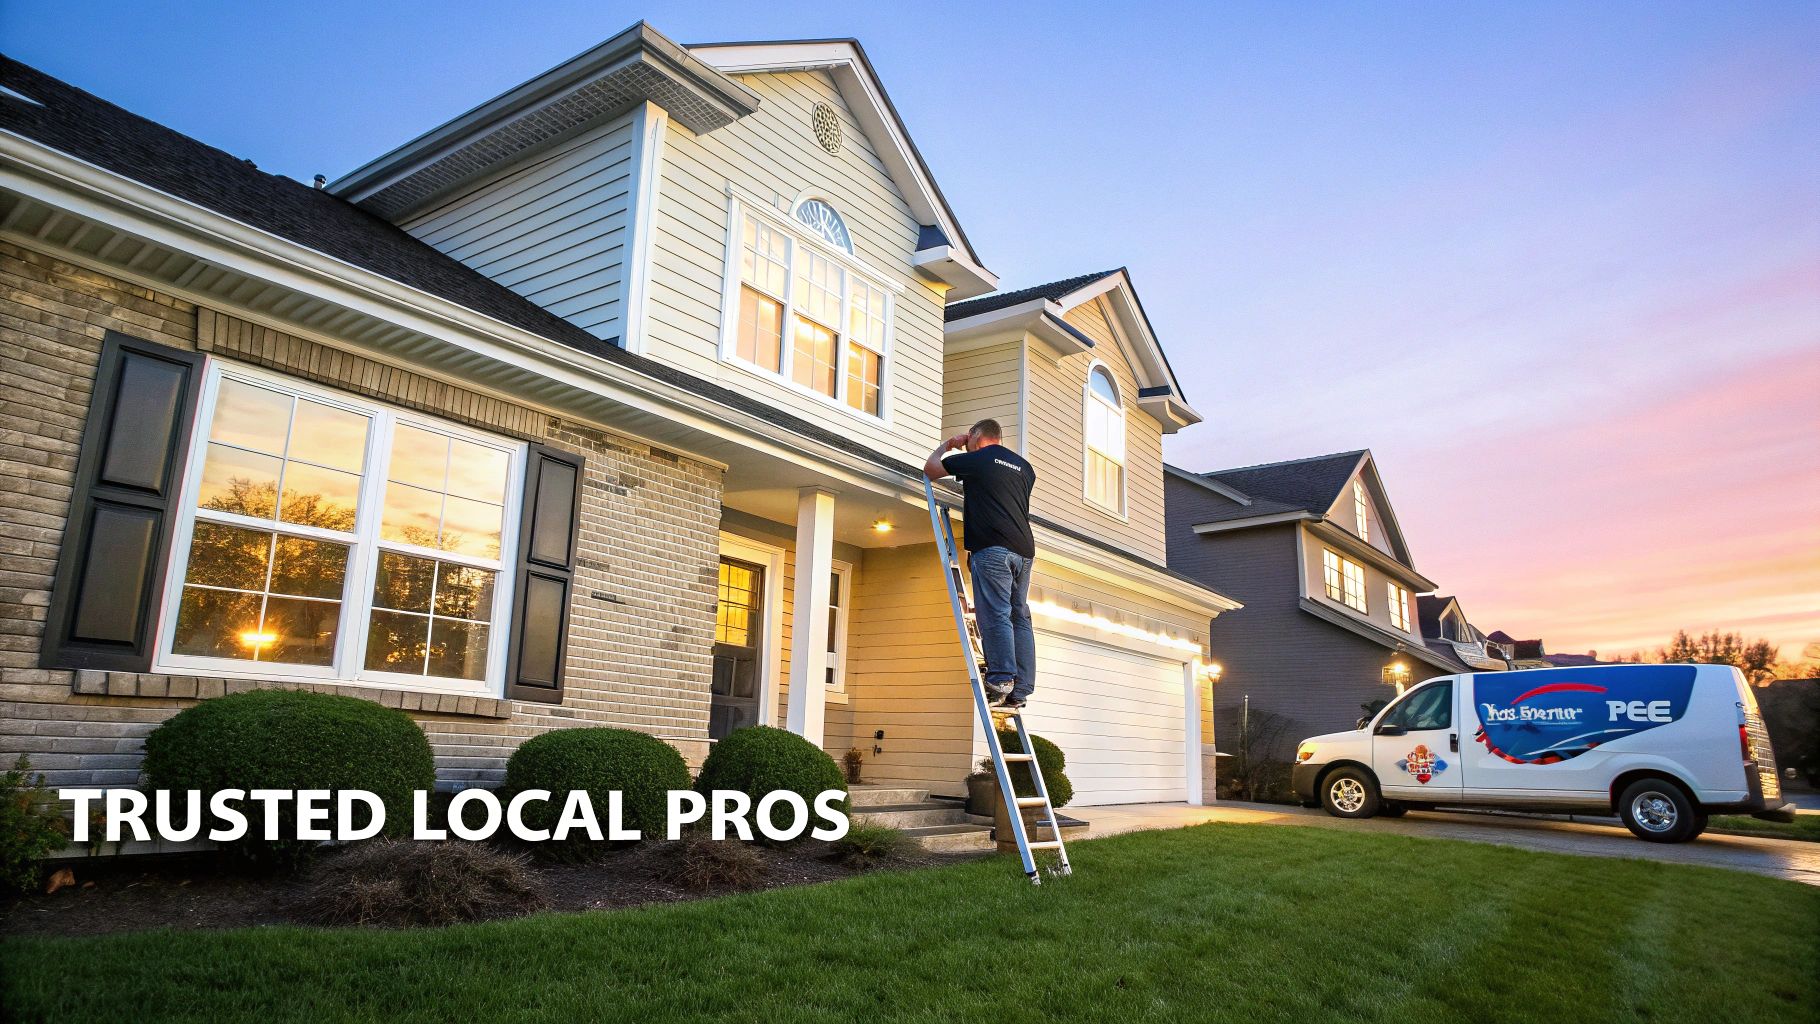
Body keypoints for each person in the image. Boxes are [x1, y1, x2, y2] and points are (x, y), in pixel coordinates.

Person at [924, 418, 1037, 709]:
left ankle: (1000, 680)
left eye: (969, 436)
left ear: (975, 435)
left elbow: (931, 469)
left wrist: (949, 445)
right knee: (1018, 617)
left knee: (995, 614)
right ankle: (1021, 689)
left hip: (993, 547)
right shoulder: (1024, 467)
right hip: (1023, 550)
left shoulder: (978, 459)